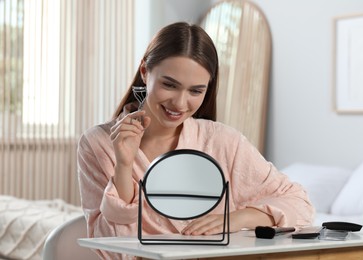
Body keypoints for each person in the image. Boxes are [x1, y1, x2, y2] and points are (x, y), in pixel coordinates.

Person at [77, 22, 314, 259]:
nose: (180, 104)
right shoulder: (98, 144)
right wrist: (124, 166)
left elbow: (300, 205)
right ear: (144, 71)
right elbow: (112, 251)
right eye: (169, 85)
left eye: (196, 91)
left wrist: (236, 219)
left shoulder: (222, 141)